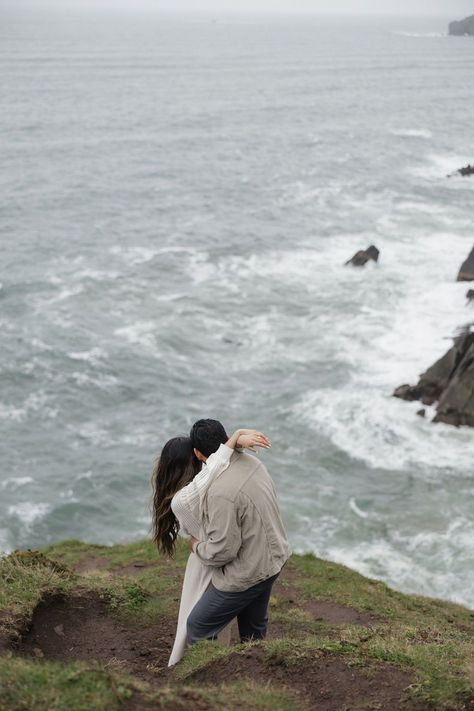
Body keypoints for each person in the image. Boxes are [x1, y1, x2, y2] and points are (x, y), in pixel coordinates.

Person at [151, 427, 270, 667]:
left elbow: (215, 461)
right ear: (195, 457)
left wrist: (233, 443)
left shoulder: (202, 483)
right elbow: (215, 464)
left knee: (206, 621)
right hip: (209, 559)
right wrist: (234, 439)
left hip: (212, 555)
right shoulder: (184, 499)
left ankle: (218, 669)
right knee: (199, 623)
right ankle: (211, 669)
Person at [186, 419, 291, 647]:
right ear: (226, 439)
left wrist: (195, 545)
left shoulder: (219, 492)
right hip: (274, 559)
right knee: (253, 633)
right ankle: (253, 674)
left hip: (249, 572)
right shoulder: (254, 463)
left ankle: (211, 679)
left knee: (198, 626)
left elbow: (222, 551)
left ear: (197, 453)